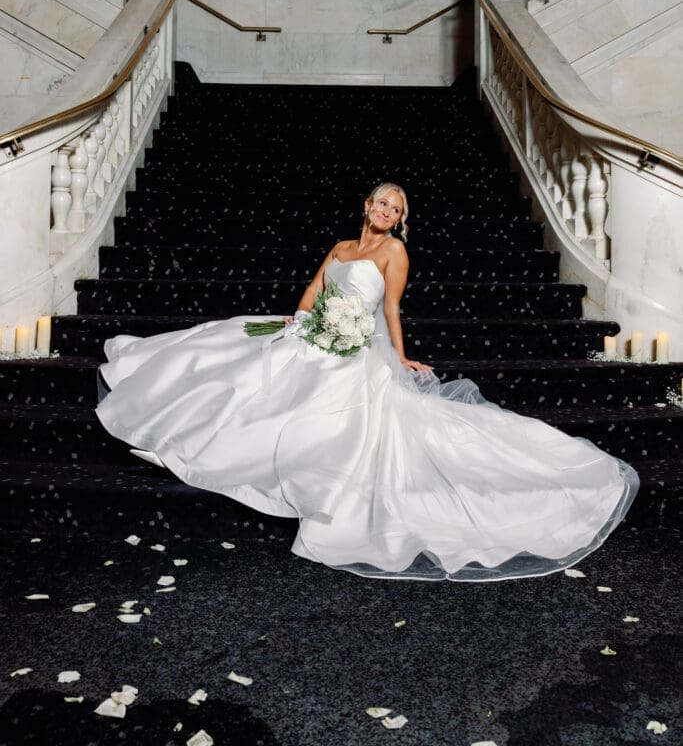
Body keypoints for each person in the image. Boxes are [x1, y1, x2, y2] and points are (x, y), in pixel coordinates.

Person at [96, 182, 639, 581]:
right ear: (367, 205)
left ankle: (221, 455)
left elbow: (392, 308)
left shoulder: (393, 251)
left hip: (355, 346)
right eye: (382, 203)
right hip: (316, 331)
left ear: (399, 220)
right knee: (237, 355)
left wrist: (399, 358)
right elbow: (314, 289)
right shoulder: (341, 247)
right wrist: (299, 321)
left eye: (395, 209)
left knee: (315, 393)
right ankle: (179, 438)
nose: (386, 212)